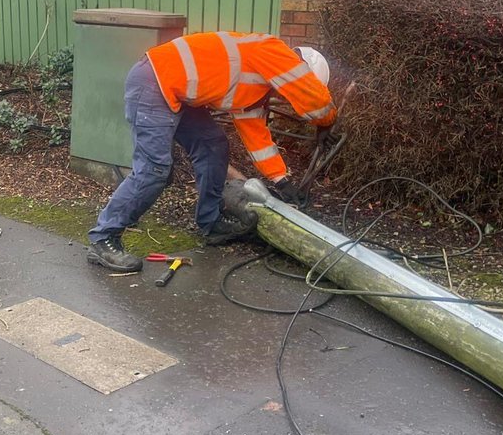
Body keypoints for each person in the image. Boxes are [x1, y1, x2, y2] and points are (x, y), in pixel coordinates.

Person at [87, 31, 336, 272]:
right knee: (155, 169)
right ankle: (103, 238)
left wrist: (282, 182)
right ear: (303, 69)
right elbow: (316, 101)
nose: (286, 94)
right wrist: (326, 121)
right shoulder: (274, 51)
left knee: (214, 146)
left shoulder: (256, 86)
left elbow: (258, 140)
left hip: (176, 91)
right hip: (154, 82)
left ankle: (211, 222)